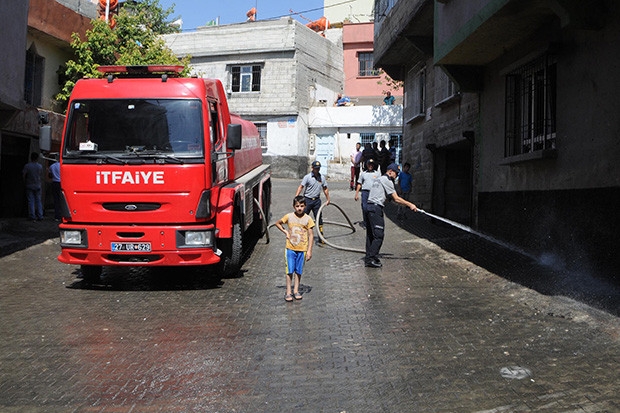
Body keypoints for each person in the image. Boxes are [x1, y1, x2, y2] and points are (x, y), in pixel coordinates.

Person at [364, 163, 417, 268]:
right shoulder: (387, 180)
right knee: (379, 235)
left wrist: (389, 201)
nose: (396, 176)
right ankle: (371, 259)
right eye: (396, 173)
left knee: (371, 234)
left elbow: (385, 197)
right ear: (390, 171)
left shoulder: (378, 179)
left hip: (369, 207)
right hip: (376, 208)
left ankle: (369, 256)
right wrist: (410, 204)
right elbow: (396, 198)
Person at [275, 196, 315, 301]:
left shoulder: (308, 219)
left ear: (305, 206)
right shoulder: (289, 217)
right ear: (293, 206)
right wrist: (286, 232)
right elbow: (278, 223)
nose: (299, 208)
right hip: (290, 248)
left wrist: (309, 250)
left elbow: (311, 235)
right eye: (297, 206)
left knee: (298, 271)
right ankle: (288, 292)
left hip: (302, 249)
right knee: (289, 271)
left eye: (302, 206)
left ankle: (296, 290)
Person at [295, 160, 330, 241]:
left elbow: (325, 189)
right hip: (307, 200)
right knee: (303, 217)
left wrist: (328, 199)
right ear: (312, 168)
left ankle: (321, 236)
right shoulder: (307, 177)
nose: (317, 170)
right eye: (315, 168)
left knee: (319, 218)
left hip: (317, 201)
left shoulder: (322, 178)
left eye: (318, 169)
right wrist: (296, 198)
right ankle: (301, 235)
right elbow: (301, 187)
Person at [354, 158, 380, 228]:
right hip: (365, 192)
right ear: (367, 165)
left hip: (373, 193)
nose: (370, 166)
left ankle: (372, 222)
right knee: (365, 208)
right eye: (369, 164)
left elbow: (380, 184)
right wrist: (356, 194)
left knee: (373, 208)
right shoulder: (363, 174)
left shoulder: (377, 174)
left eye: (372, 165)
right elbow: (359, 184)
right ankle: (365, 223)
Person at [23, 152, 44, 221]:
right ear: (37, 158)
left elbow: (24, 175)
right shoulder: (40, 166)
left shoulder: (27, 166)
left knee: (31, 201)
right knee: (38, 201)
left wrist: (25, 182)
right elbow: (40, 175)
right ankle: (40, 215)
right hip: (37, 185)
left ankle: (32, 215)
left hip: (29, 184)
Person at [48, 157, 62, 221]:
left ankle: (57, 216)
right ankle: (62, 215)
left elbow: (50, 176)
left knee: (56, 200)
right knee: (62, 200)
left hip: (54, 183)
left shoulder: (52, 166)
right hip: (61, 183)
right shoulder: (62, 165)